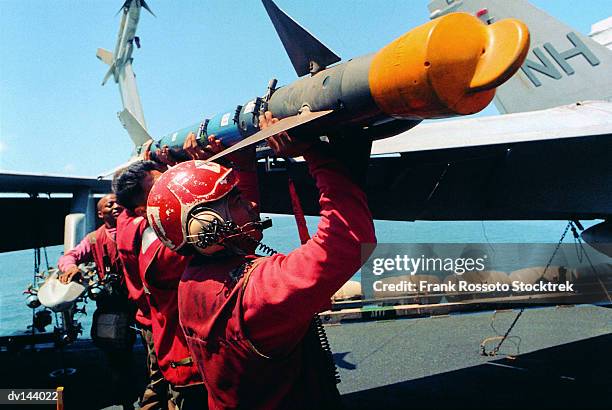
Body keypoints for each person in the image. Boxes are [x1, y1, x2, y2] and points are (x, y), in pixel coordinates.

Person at [145, 112, 377, 409]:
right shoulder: (258, 294)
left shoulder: (193, 279)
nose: (251, 205)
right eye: (236, 200)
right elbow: (348, 239)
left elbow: (243, 230)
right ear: (207, 225)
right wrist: (314, 153)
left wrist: (241, 160)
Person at [57, 193, 138, 410]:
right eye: (108, 204)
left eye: (117, 202)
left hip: (143, 302)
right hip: (113, 304)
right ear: (100, 214)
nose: (115, 205)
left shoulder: (139, 228)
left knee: (155, 352)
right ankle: (125, 399)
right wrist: (70, 267)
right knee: (116, 355)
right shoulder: (93, 239)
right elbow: (68, 257)